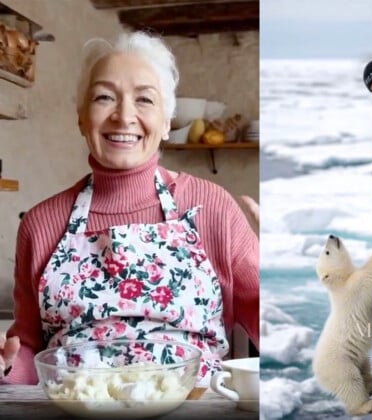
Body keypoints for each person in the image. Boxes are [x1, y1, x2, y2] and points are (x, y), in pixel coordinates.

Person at [0, 31, 259, 388]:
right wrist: (6, 366)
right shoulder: (41, 223)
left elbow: (274, 325)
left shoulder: (212, 209)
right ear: (81, 117)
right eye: (104, 97)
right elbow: (27, 350)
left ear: (167, 122)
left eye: (144, 100)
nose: (124, 116)